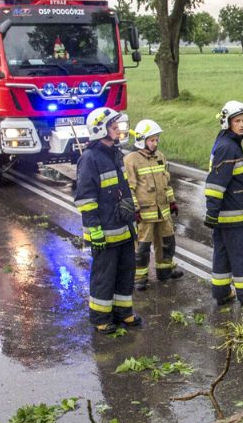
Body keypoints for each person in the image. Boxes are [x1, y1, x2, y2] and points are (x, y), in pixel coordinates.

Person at [74, 107, 141, 333]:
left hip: (123, 227)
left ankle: (123, 313)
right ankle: (101, 318)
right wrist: (94, 231)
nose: (118, 130)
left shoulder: (115, 154)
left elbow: (123, 189)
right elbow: (86, 200)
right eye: (113, 127)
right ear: (100, 129)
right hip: (104, 231)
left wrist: (131, 211)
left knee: (125, 271)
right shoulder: (89, 159)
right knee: (104, 276)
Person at [203, 100, 243, 307]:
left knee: (222, 253)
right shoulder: (228, 147)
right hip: (234, 216)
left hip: (226, 215)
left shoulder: (227, 143)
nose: (242, 125)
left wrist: (214, 214)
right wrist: (211, 211)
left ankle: (221, 292)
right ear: (226, 123)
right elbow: (215, 184)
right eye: (237, 121)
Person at [123, 119, 181, 290]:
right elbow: (129, 188)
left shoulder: (160, 157)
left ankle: (165, 269)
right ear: (142, 140)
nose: (155, 143)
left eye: (157, 139)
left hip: (163, 211)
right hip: (145, 214)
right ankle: (140, 277)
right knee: (142, 247)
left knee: (167, 241)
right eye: (152, 140)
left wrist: (172, 202)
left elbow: (166, 183)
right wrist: (134, 210)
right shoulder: (131, 160)